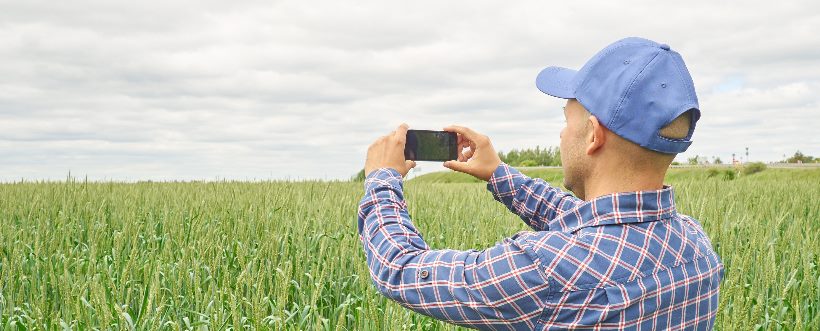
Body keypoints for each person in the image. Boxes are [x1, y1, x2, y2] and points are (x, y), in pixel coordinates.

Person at [358, 37, 724, 330]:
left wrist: (381, 180)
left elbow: (400, 269)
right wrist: (499, 174)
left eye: (566, 120)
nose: (563, 135)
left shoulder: (545, 271)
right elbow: (588, 221)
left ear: (594, 135)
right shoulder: (695, 246)